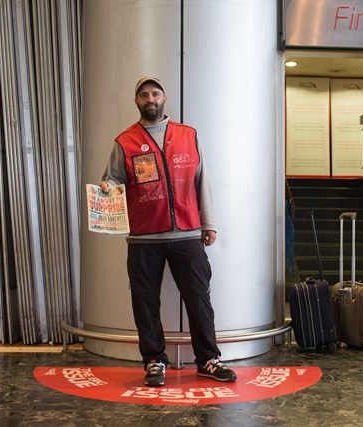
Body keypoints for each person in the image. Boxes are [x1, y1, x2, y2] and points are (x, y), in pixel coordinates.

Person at [99, 76, 236, 387]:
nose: (151, 98)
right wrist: (108, 186)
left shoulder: (188, 135)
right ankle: (154, 361)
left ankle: (208, 360)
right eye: (144, 94)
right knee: (145, 302)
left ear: (164, 98)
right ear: (137, 101)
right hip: (143, 237)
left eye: (155, 93)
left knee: (199, 298)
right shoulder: (125, 141)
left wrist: (209, 222)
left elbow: (203, 180)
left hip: (187, 233)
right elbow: (113, 180)